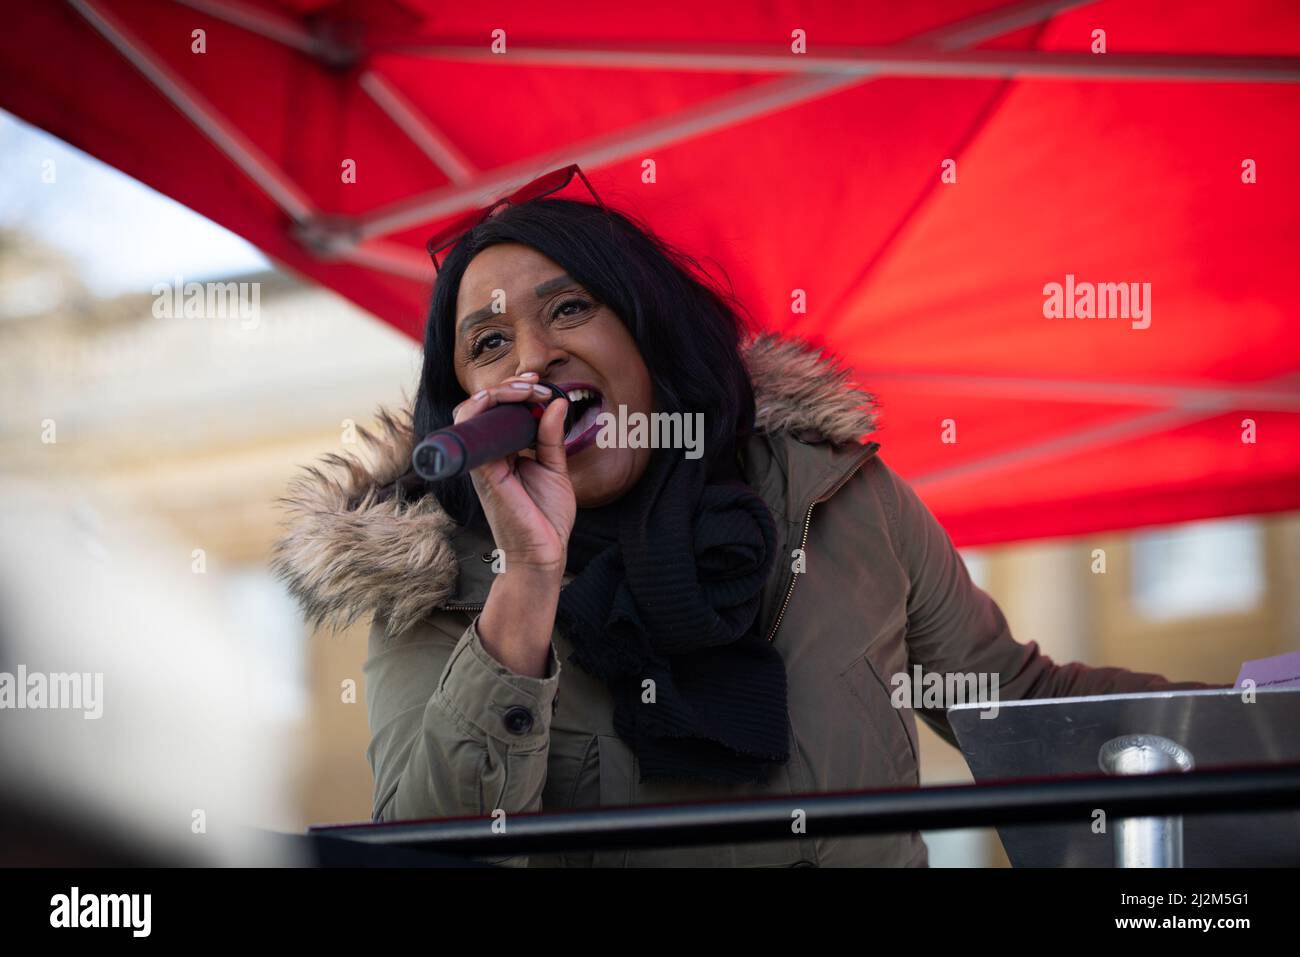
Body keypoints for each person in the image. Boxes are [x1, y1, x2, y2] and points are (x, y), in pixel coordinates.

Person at [271, 172, 1212, 867]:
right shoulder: (435, 594)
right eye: (489, 342)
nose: (537, 355)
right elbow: (431, 858)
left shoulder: (839, 500)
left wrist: (1255, 717)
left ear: (646, 333)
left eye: (571, 308)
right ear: (465, 403)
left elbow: (1020, 709)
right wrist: (524, 588)